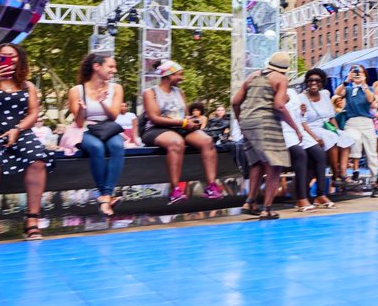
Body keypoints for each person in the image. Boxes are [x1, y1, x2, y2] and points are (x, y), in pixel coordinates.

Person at [0, 44, 51, 244]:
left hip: (19, 128)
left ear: (20, 60)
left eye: (13, 56)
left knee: (37, 159)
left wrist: (17, 129)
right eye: (3, 56)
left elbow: (33, 113)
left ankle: (32, 220)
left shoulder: (28, 86)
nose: (8, 59)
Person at [141, 60, 224, 203]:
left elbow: (184, 114)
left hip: (181, 127)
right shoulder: (150, 92)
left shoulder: (179, 92)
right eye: (179, 75)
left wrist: (192, 121)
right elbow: (155, 118)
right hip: (157, 129)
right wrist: (183, 122)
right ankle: (175, 190)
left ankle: (211, 186)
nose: (182, 78)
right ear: (168, 75)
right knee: (176, 143)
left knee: (207, 141)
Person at [233, 52, 300, 220]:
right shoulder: (281, 79)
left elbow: (235, 102)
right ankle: (267, 209)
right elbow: (279, 106)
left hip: (247, 121)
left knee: (257, 163)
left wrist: (241, 121)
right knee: (275, 165)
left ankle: (250, 202)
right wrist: (296, 128)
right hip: (266, 122)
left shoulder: (253, 75)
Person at [67, 53, 126, 218]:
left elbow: (114, 115)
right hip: (85, 129)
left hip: (108, 128)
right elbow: (79, 123)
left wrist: (101, 102)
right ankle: (106, 196)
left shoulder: (116, 88)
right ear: (97, 67)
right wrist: (82, 110)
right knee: (96, 148)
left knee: (117, 146)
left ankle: (105, 196)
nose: (114, 70)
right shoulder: (76, 91)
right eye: (111, 66)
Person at [299, 68, 353, 203]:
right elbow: (302, 121)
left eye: (317, 80)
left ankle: (342, 172)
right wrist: (315, 137)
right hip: (311, 129)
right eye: (310, 80)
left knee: (345, 136)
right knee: (331, 138)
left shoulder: (325, 94)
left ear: (322, 82)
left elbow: (331, 117)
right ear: (306, 82)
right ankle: (335, 175)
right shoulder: (301, 98)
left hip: (326, 126)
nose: (313, 83)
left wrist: (337, 130)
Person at [334, 65, 378, 185]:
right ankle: (355, 169)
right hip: (352, 122)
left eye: (360, 72)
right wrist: (347, 80)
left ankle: (375, 179)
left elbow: (370, 100)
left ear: (365, 75)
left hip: (366, 122)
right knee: (354, 139)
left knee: (371, 152)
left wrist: (363, 85)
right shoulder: (349, 89)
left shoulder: (369, 88)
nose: (357, 74)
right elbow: (337, 93)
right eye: (354, 72)